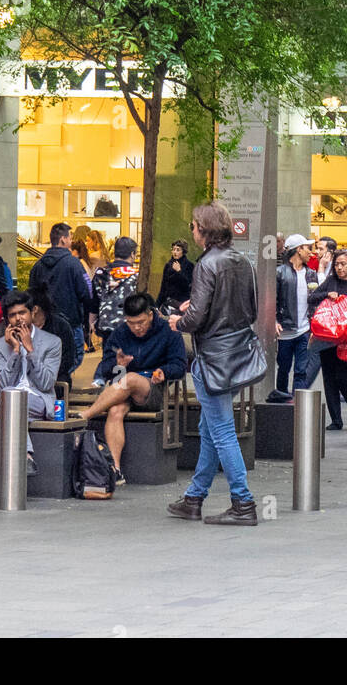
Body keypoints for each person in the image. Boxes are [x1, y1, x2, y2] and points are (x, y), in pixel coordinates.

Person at [166, 201, 260, 526]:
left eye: (193, 226)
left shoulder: (207, 264)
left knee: (221, 430)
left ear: (203, 229)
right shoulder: (242, 261)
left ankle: (243, 502)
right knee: (210, 428)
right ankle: (194, 498)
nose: (191, 231)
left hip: (213, 359)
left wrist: (179, 320)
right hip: (237, 356)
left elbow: (195, 318)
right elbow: (250, 309)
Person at [81, 292, 187, 484]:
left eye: (141, 322)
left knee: (130, 379)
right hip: (122, 388)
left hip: (154, 390)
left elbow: (179, 365)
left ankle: (86, 416)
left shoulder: (168, 331)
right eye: (131, 323)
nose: (137, 328)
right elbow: (105, 368)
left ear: (151, 314)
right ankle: (115, 469)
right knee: (114, 411)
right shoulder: (119, 333)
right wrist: (118, 365)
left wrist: (164, 371)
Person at [0, 290, 63, 474]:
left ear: (33, 313)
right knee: (8, 404)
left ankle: (24, 456)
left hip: (38, 399)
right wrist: (15, 351)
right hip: (11, 399)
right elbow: (3, 383)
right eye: (12, 315)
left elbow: (46, 384)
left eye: (22, 313)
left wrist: (30, 351)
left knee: (5, 409)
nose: (18, 319)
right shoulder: (0, 345)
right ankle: (26, 458)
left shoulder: (52, 342)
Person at [307, 249, 347, 430]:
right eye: (337, 264)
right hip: (326, 337)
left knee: (343, 377)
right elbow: (312, 298)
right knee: (329, 378)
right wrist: (326, 294)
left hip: (346, 340)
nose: (339, 268)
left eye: (343, 264)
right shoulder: (330, 282)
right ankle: (336, 419)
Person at [28, 222, 94, 369]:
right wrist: (88, 313)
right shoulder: (74, 264)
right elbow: (86, 291)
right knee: (74, 354)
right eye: (70, 237)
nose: (72, 241)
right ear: (63, 239)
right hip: (71, 319)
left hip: (43, 322)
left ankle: (51, 380)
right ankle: (60, 380)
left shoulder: (38, 266)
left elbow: (31, 293)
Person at [274, 234, 317, 395]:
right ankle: (281, 400)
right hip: (285, 331)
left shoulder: (311, 274)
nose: (310, 253)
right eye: (308, 248)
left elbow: (315, 301)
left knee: (301, 370)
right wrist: (274, 321)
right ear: (298, 250)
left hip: (305, 330)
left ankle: (296, 406)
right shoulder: (280, 273)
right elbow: (272, 300)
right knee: (283, 368)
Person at [92, 235, 139, 344]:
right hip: (131, 326)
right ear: (132, 254)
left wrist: (92, 321)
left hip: (106, 325)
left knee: (109, 356)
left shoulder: (102, 273)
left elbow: (93, 300)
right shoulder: (137, 275)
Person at [156, 239, 194, 312]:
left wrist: (179, 271)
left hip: (182, 303)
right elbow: (163, 287)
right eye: (173, 249)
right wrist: (157, 305)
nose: (175, 252)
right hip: (168, 302)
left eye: (178, 250)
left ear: (183, 251)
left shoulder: (189, 265)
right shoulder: (168, 265)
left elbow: (189, 285)